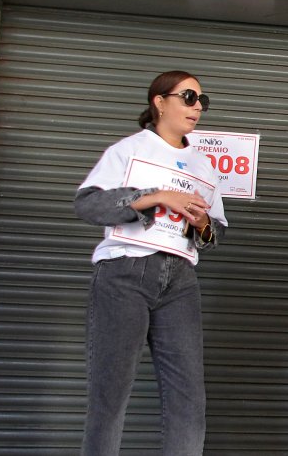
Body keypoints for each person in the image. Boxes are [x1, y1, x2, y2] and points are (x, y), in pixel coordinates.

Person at [73, 70, 228, 455]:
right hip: (124, 271)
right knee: (110, 393)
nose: (197, 107)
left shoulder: (204, 165)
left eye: (202, 101)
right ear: (159, 101)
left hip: (180, 279)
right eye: (188, 97)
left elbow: (216, 234)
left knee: (188, 398)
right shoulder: (129, 150)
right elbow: (88, 204)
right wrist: (156, 195)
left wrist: (203, 223)